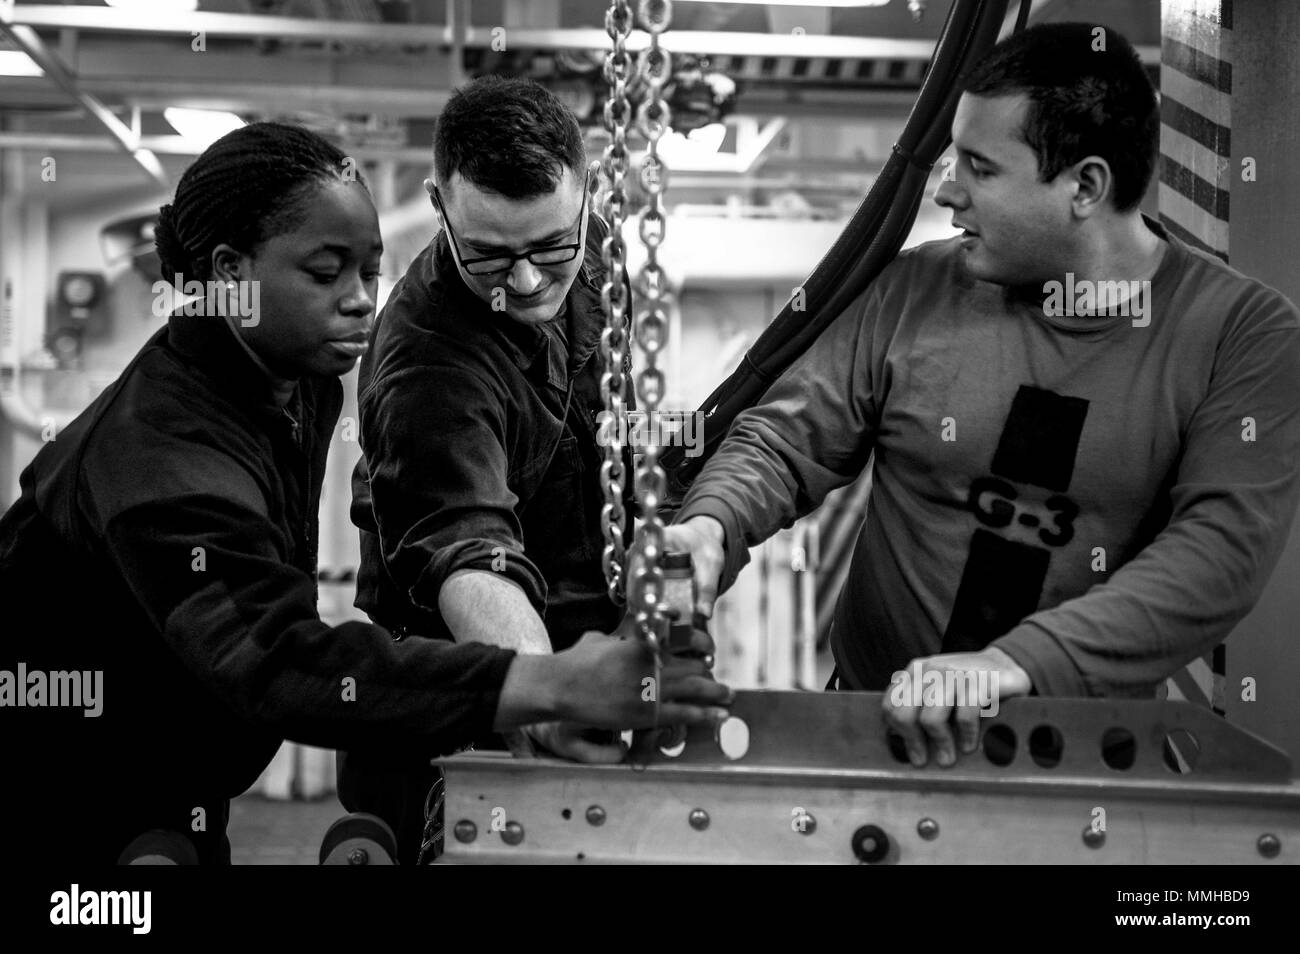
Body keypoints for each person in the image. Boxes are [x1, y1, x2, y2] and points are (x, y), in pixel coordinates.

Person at [0, 121, 729, 865]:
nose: (360, 302)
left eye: (370, 271)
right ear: (228, 273)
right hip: (51, 798)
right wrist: (542, 684)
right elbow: (275, 657)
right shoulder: (164, 453)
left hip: (175, 787)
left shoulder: (298, 379)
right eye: (325, 273)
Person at [663, 23, 1300, 766]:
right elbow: (785, 440)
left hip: (1082, 769)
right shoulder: (915, 288)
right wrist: (708, 528)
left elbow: (1216, 553)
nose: (945, 188)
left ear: (1084, 187)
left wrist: (1011, 665)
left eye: (980, 167)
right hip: (871, 737)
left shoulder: (1239, 334)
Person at [342, 75, 666, 861]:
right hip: (454, 710)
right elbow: (468, 550)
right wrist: (542, 696)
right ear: (438, 201)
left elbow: (619, 429)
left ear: (587, 198)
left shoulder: (600, 260)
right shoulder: (427, 358)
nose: (524, 282)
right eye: (489, 253)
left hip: (584, 663)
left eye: (551, 246)